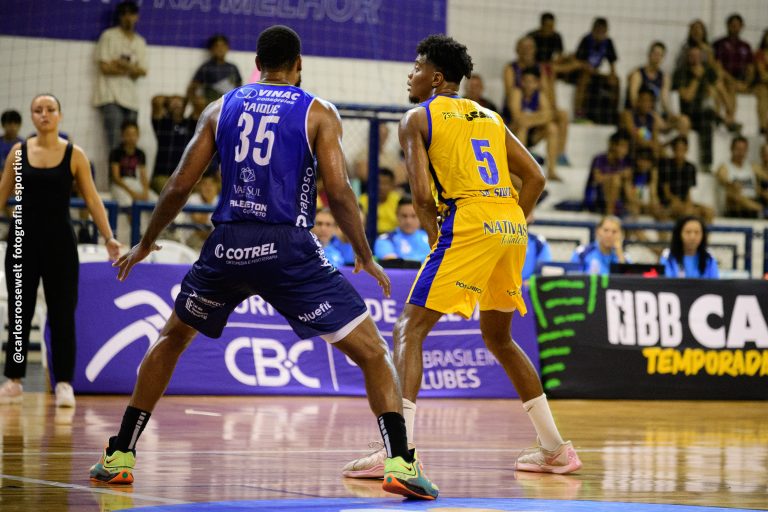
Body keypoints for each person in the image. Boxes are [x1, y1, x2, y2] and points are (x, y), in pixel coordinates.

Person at [88, 25, 438, 501]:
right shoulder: (317, 110)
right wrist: (363, 253)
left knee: (171, 339)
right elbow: (338, 192)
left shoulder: (220, 108)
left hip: (228, 244)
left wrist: (147, 242)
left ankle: (120, 455)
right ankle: (399, 462)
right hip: (289, 248)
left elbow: (179, 184)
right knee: (374, 352)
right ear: (298, 65)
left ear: (256, 65)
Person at [343, 34, 581, 479]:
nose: (410, 75)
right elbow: (535, 176)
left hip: (469, 221)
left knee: (408, 328)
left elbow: (420, 195)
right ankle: (554, 448)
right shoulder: (491, 116)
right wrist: (513, 221)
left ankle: (399, 452)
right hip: (509, 225)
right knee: (499, 338)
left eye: (416, 67)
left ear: (436, 78)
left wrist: (437, 235)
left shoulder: (417, 117)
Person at [0, 94, 121, 406]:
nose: (44, 114)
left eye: (50, 109)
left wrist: (109, 237)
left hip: (60, 244)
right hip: (22, 242)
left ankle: (64, 382)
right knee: (19, 311)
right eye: (38, 110)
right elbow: (1, 195)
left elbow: (92, 199)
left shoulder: (74, 154)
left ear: (60, 115)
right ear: (32, 116)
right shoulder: (18, 152)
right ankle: (14, 380)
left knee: (62, 312)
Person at [93, 1, 147, 160]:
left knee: (130, 147)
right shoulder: (108, 36)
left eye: (131, 14)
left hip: (131, 100)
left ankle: (129, 176)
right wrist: (131, 68)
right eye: (124, 14)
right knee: (115, 147)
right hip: (110, 97)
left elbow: (142, 71)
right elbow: (105, 68)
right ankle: (113, 177)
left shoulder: (140, 41)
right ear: (119, 17)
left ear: (137, 17)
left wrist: (121, 64)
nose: (128, 18)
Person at [504, 36, 569, 166]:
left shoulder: (540, 70)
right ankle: (521, 163)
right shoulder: (511, 70)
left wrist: (540, 115)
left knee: (559, 118)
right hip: (514, 122)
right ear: (517, 49)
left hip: (533, 121)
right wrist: (540, 115)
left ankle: (559, 157)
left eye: (530, 47)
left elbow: (545, 93)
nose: (527, 50)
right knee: (522, 123)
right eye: (524, 47)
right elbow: (511, 99)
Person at [672, 44, 721, 172]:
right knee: (704, 116)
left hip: (702, 114)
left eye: (697, 56)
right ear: (687, 57)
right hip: (686, 113)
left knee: (707, 120)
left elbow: (716, 92)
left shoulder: (707, 71)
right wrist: (697, 78)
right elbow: (687, 97)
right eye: (692, 56)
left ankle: (707, 163)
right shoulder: (680, 73)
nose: (695, 59)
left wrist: (710, 90)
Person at [626, 42, 690, 137]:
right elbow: (633, 100)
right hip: (639, 114)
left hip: (654, 114)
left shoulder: (664, 77)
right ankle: (654, 139)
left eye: (660, 55)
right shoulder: (638, 74)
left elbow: (664, 101)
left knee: (684, 120)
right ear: (649, 54)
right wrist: (650, 113)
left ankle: (679, 144)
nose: (657, 57)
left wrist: (671, 115)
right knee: (652, 127)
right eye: (655, 53)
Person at [509, 67, 561, 180]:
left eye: (532, 82)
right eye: (526, 81)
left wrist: (529, 120)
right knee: (522, 126)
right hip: (513, 134)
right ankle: (521, 169)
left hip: (532, 135)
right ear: (521, 81)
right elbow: (517, 117)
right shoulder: (517, 92)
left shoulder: (539, 95)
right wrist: (538, 117)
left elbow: (549, 115)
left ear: (537, 83)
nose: (529, 85)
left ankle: (551, 170)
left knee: (552, 128)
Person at [573, 18, 619, 123]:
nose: (600, 34)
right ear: (593, 30)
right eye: (598, 31)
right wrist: (588, 68)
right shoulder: (586, 40)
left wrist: (612, 75)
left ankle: (613, 114)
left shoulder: (608, 42)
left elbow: (612, 62)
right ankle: (578, 113)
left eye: (603, 31)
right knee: (584, 78)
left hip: (595, 72)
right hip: (582, 71)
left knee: (616, 80)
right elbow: (578, 61)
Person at [659, 136, 714, 222]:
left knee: (709, 212)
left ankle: (702, 230)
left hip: (684, 202)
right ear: (673, 150)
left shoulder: (690, 167)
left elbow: (689, 191)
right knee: (686, 211)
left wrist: (689, 204)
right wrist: (677, 202)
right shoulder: (666, 165)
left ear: (686, 149)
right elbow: (666, 192)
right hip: (669, 202)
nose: (680, 152)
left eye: (682, 149)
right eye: (678, 149)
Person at [150, 94, 195, 194]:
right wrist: (170, 99)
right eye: (173, 103)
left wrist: (187, 99)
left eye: (179, 102)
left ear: (184, 106)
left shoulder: (190, 124)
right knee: (170, 193)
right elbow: (156, 101)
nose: (177, 104)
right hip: (163, 176)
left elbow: (200, 104)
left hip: (186, 175)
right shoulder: (162, 123)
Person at [187, 34, 243, 110]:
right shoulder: (206, 67)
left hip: (230, 108)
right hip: (212, 108)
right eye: (217, 46)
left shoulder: (233, 67)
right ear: (211, 49)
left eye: (223, 46)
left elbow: (239, 88)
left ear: (227, 48)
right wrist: (197, 104)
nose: (220, 49)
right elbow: (192, 89)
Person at [716, 136, 767, 218]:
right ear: (731, 149)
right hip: (736, 205)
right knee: (734, 193)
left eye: (743, 150)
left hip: (754, 200)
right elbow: (722, 178)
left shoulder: (752, 167)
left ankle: (761, 210)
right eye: (738, 149)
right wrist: (731, 184)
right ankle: (762, 210)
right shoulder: (725, 167)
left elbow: (765, 176)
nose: (740, 153)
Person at [713, 14, 754, 115]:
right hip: (724, 79)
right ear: (727, 25)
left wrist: (748, 83)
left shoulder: (745, 46)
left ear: (741, 26)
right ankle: (728, 116)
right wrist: (731, 80)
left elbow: (750, 67)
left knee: (731, 86)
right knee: (723, 86)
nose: (734, 27)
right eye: (732, 25)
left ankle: (729, 116)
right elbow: (717, 65)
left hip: (740, 81)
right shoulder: (719, 43)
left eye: (737, 25)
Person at [583, 130, 631, 215]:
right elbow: (597, 178)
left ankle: (632, 212)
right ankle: (609, 214)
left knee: (627, 184)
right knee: (615, 180)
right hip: (597, 199)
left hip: (618, 200)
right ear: (613, 145)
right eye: (623, 146)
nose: (625, 151)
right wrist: (617, 175)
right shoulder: (599, 159)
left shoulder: (624, 163)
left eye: (627, 148)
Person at [109, 120, 156, 208]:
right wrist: (132, 193)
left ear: (138, 135)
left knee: (156, 201)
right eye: (128, 134)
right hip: (120, 184)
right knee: (128, 202)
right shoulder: (116, 152)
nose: (131, 137)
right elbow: (116, 177)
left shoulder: (140, 153)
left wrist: (145, 192)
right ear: (122, 135)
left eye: (134, 134)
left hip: (134, 182)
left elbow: (143, 176)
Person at [373, 197, 431, 262]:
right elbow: (391, 262)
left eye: (413, 216)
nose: (408, 221)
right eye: (404, 216)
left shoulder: (432, 238)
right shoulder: (385, 239)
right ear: (397, 216)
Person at [358, 167, 401, 234]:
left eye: (385, 183)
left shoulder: (398, 200)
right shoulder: (362, 200)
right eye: (377, 183)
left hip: (394, 236)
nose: (381, 187)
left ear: (392, 185)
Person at [621, 86, 662, 158]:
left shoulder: (653, 119)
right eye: (644, 100)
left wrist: (653, 144)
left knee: (661, 152)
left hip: (647, 152)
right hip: (631, 151)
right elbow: (634, 136)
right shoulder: (628, 115)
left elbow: (655, 139)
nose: (647, 104)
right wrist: (651, 144)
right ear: (638, 101)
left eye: (650, 101)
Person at [754, 29, 768, 135]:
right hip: (762, 85)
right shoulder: (759, 53)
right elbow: (762, 74)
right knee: (763, 95)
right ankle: (763, 126)